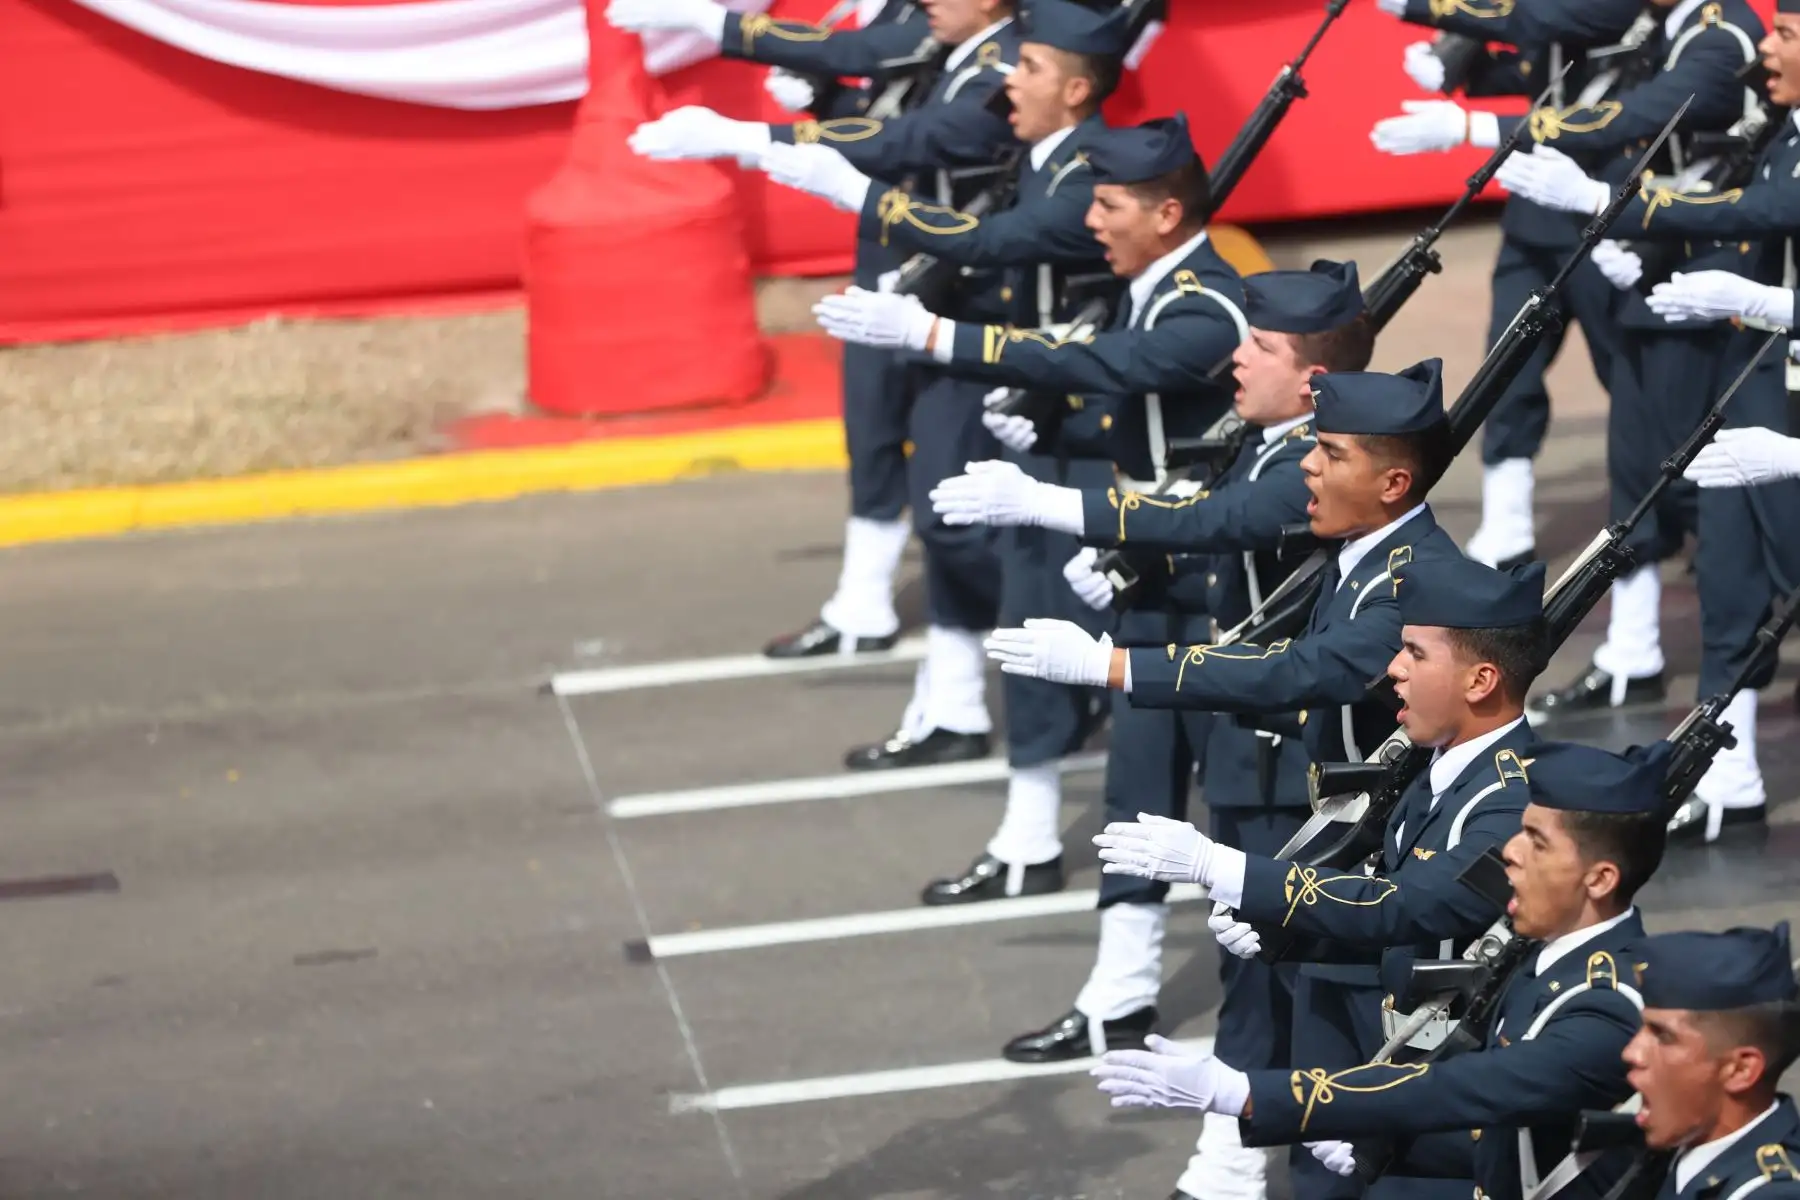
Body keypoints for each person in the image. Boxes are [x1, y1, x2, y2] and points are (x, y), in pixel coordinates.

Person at [936, 259, 1374, 1200]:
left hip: (1294, 762)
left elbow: (1218, 517)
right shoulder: (1276, 442)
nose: (1237, 360)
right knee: (1258, 964)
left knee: (1303, 974)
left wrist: (1048, 504)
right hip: (1255, 751)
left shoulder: (1317, 463)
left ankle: (1265, 1162)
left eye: (1261, 348)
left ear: (1311, 381)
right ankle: (1237, 1162)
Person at [815, 112, 1255, 902]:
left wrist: (939, 336)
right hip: (1147, 562)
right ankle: (1109, 993)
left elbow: (1114, 364)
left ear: (1164, 214)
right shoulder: (1144, 288)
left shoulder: (1204, 307)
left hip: (1203, 579)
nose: (1091, 221)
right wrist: (1058, 420)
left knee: (1240, 797)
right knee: (1138, 790)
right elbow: (1125, 399)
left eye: (1108, 205)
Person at [753, 0, 1131, 890]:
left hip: (1038, 397)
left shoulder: (1088, 170)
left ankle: (1034, 828)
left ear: (1071, 85)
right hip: (980, 356)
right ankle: (962, 709)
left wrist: (781, 148)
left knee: (1043, 594)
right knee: (947, 524)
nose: (1014, 80)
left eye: (1031, 70)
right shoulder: (1031, 126)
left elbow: (996, 234)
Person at [632, 0, 1025, 771]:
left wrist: (741, 106)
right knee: (892, 452)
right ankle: (943, 686)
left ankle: (1052, 656)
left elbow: (909, 129)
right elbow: (883, 114)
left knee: (965, 514)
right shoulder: (961, 45)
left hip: (965, 296)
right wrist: (821, 104)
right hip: (909, 262)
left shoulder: (997, 60)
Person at [1092, 737, 1674, 1200]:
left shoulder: (1605, 1004)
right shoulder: (1544, 951)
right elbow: (1511, 1136)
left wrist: (1244, 1093)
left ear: (1600, 879)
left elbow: (1470, 1090)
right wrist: (1397, 1144)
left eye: (1537, 843)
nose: (1511, 853)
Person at [1493, 0, 1800, 840]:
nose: (1768, 48)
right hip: (1764, 377)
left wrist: (1608, 201)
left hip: (1776, 381)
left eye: (1789, 36)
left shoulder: (1726, 48)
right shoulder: (1787, 127)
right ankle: (1727, 774)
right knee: (1733, 578)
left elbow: (1755, 214)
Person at [607, 0, 931, 662]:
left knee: (966, 448)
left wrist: (724, 48)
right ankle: (860, 600)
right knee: (871, 425)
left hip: (960, 256)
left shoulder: (955, 19)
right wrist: (826, 99)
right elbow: (872, 116)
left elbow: (897, 112)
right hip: (887, 244)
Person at [1368, 0, 1645, 571]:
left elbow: (1550, 26)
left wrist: (1433, 11)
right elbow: (1538, 67)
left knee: (1633, 381)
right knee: (1508, 363)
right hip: (1536, 216)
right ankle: (1507, 522)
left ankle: (1666, 514)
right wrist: (1462, 68)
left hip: (1610, 216)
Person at [1625, 923, 1800, 1200]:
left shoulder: (1773, 1193)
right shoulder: (1683, 1148)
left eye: (1663, 1035)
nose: (1632, 1052)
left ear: (1740, 1070)